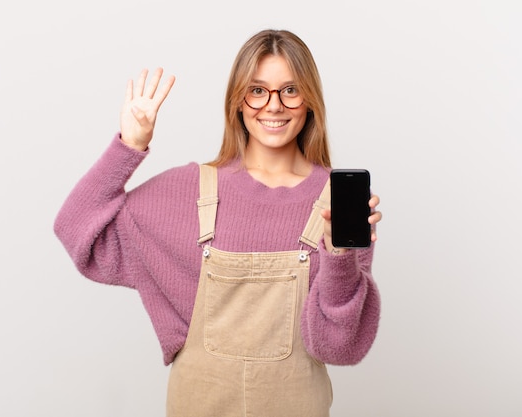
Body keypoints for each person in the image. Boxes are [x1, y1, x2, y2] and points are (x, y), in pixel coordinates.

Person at [54, 29, 382, 417]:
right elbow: (74, 226)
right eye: (257, 90)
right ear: (237, 102)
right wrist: (130, 144)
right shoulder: (188, 189)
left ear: (309, 100)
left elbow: (338, 347)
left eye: (290, 90)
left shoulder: (337, 203)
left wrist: (339, 254)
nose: (273, 106)